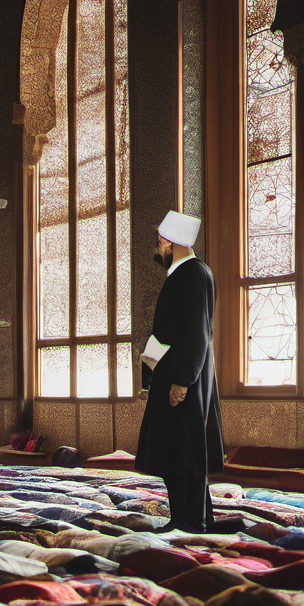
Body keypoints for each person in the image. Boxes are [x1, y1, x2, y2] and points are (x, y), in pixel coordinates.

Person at [135, 210, 224, 532]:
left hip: (183, 376)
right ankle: (189, 518)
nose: (158, 250)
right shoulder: (184, 273)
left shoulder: (194, 273)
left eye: (160, 243)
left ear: (171, 242)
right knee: (176, 454)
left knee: (185, 455)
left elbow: (197, 332)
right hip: (173, 372)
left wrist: (182, 380)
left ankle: (191, 521)